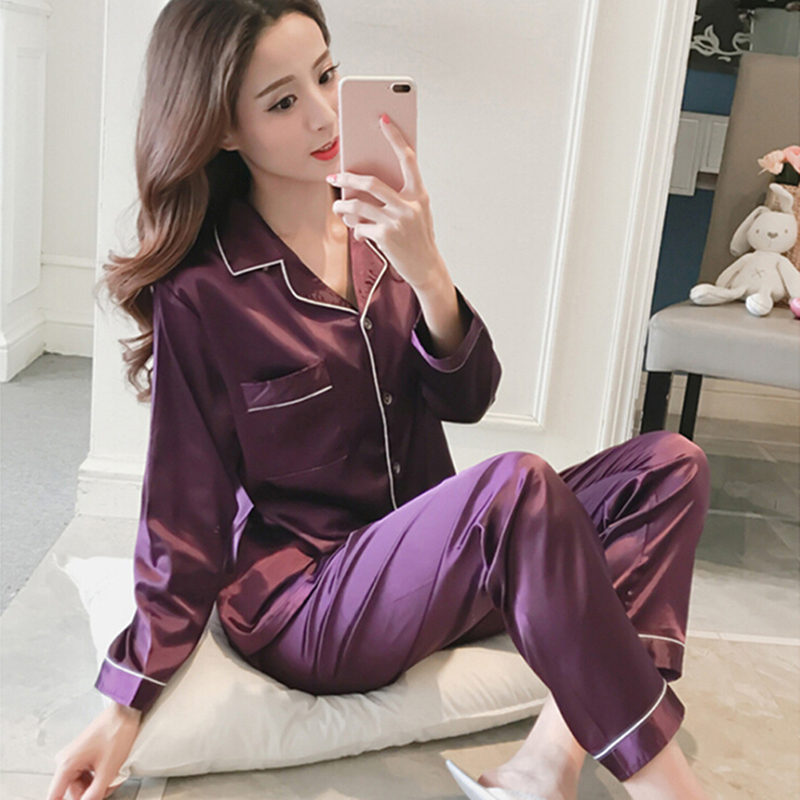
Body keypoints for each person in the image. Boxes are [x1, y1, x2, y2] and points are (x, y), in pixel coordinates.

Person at [46, 2, 713, 799]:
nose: (324, 113)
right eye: (283, 101)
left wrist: (428, 271)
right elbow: (182, 516)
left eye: (327, 75)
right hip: (313, 603)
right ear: (222, 129)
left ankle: (548, 759)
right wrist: (126, 702)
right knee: (517, 487)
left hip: (436, 570)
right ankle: (668, 789)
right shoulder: (202, 294)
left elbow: (467, 398)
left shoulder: (380, 230)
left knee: (669, 465)